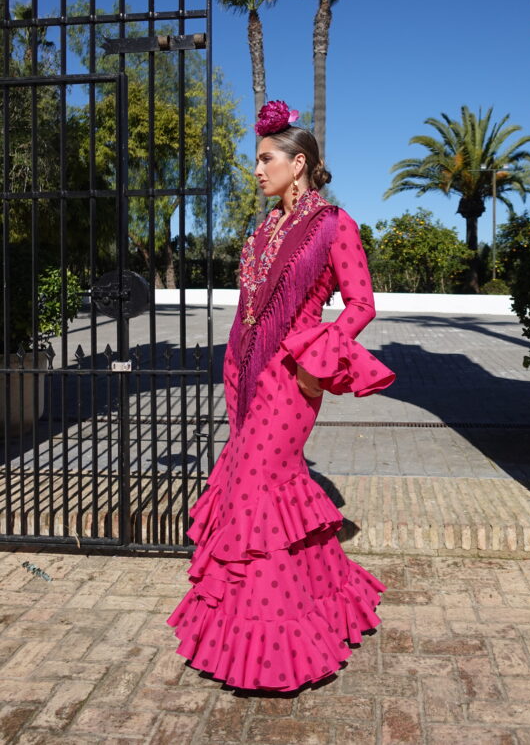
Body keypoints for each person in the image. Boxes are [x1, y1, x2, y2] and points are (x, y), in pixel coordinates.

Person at [167, 100, 396, 692]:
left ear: (299, 164)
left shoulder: (334, 225)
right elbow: (248, 311)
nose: (258, 169)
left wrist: (322, 352)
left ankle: (270, 642)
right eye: (258, 159)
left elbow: (363, 303)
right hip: (244, 372)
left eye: (266, 159)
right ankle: (330, 600)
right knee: (256, 490)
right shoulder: (262, 229)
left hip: (293, 377)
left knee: (256, 488)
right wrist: (233, 369)